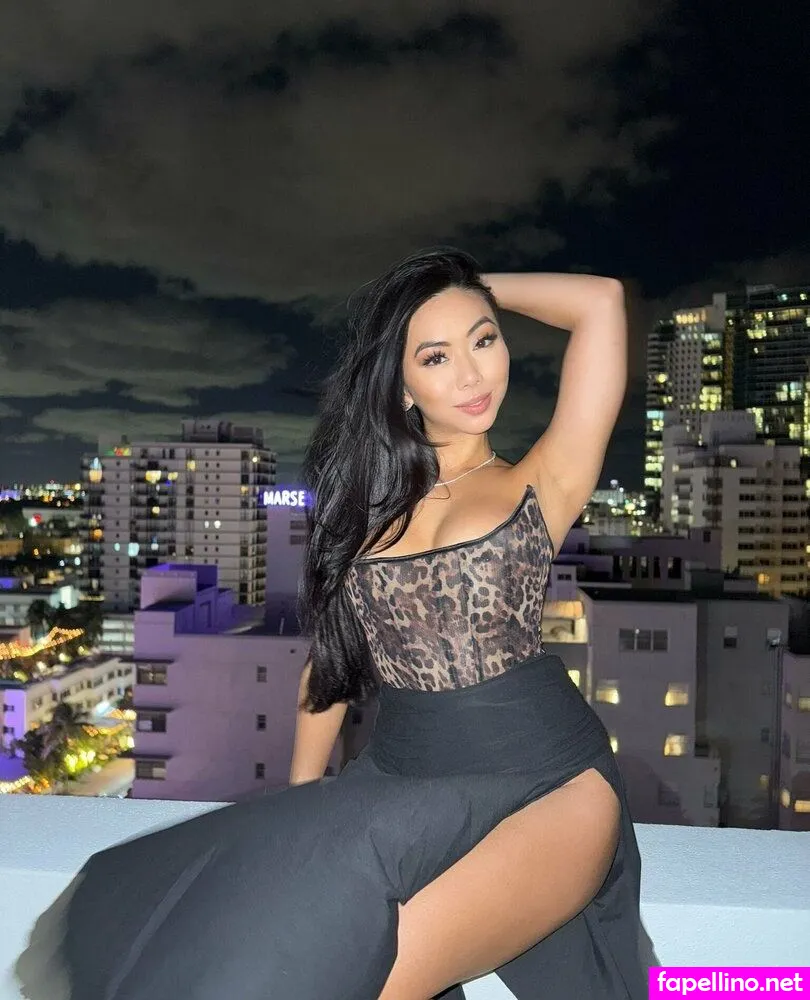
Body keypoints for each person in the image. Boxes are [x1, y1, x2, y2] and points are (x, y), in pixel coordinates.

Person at [15, 248, 656, 1000]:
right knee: (265, 936)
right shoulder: (368, 515)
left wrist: (466, 287)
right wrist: (302, 799)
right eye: (437, 356)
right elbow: (329, 666)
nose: (472, 374)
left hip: (549, 780)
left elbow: (600, 301)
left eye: (484, 340)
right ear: (402, 384)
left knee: (370, 978)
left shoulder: (540, 482)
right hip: (407, 782)